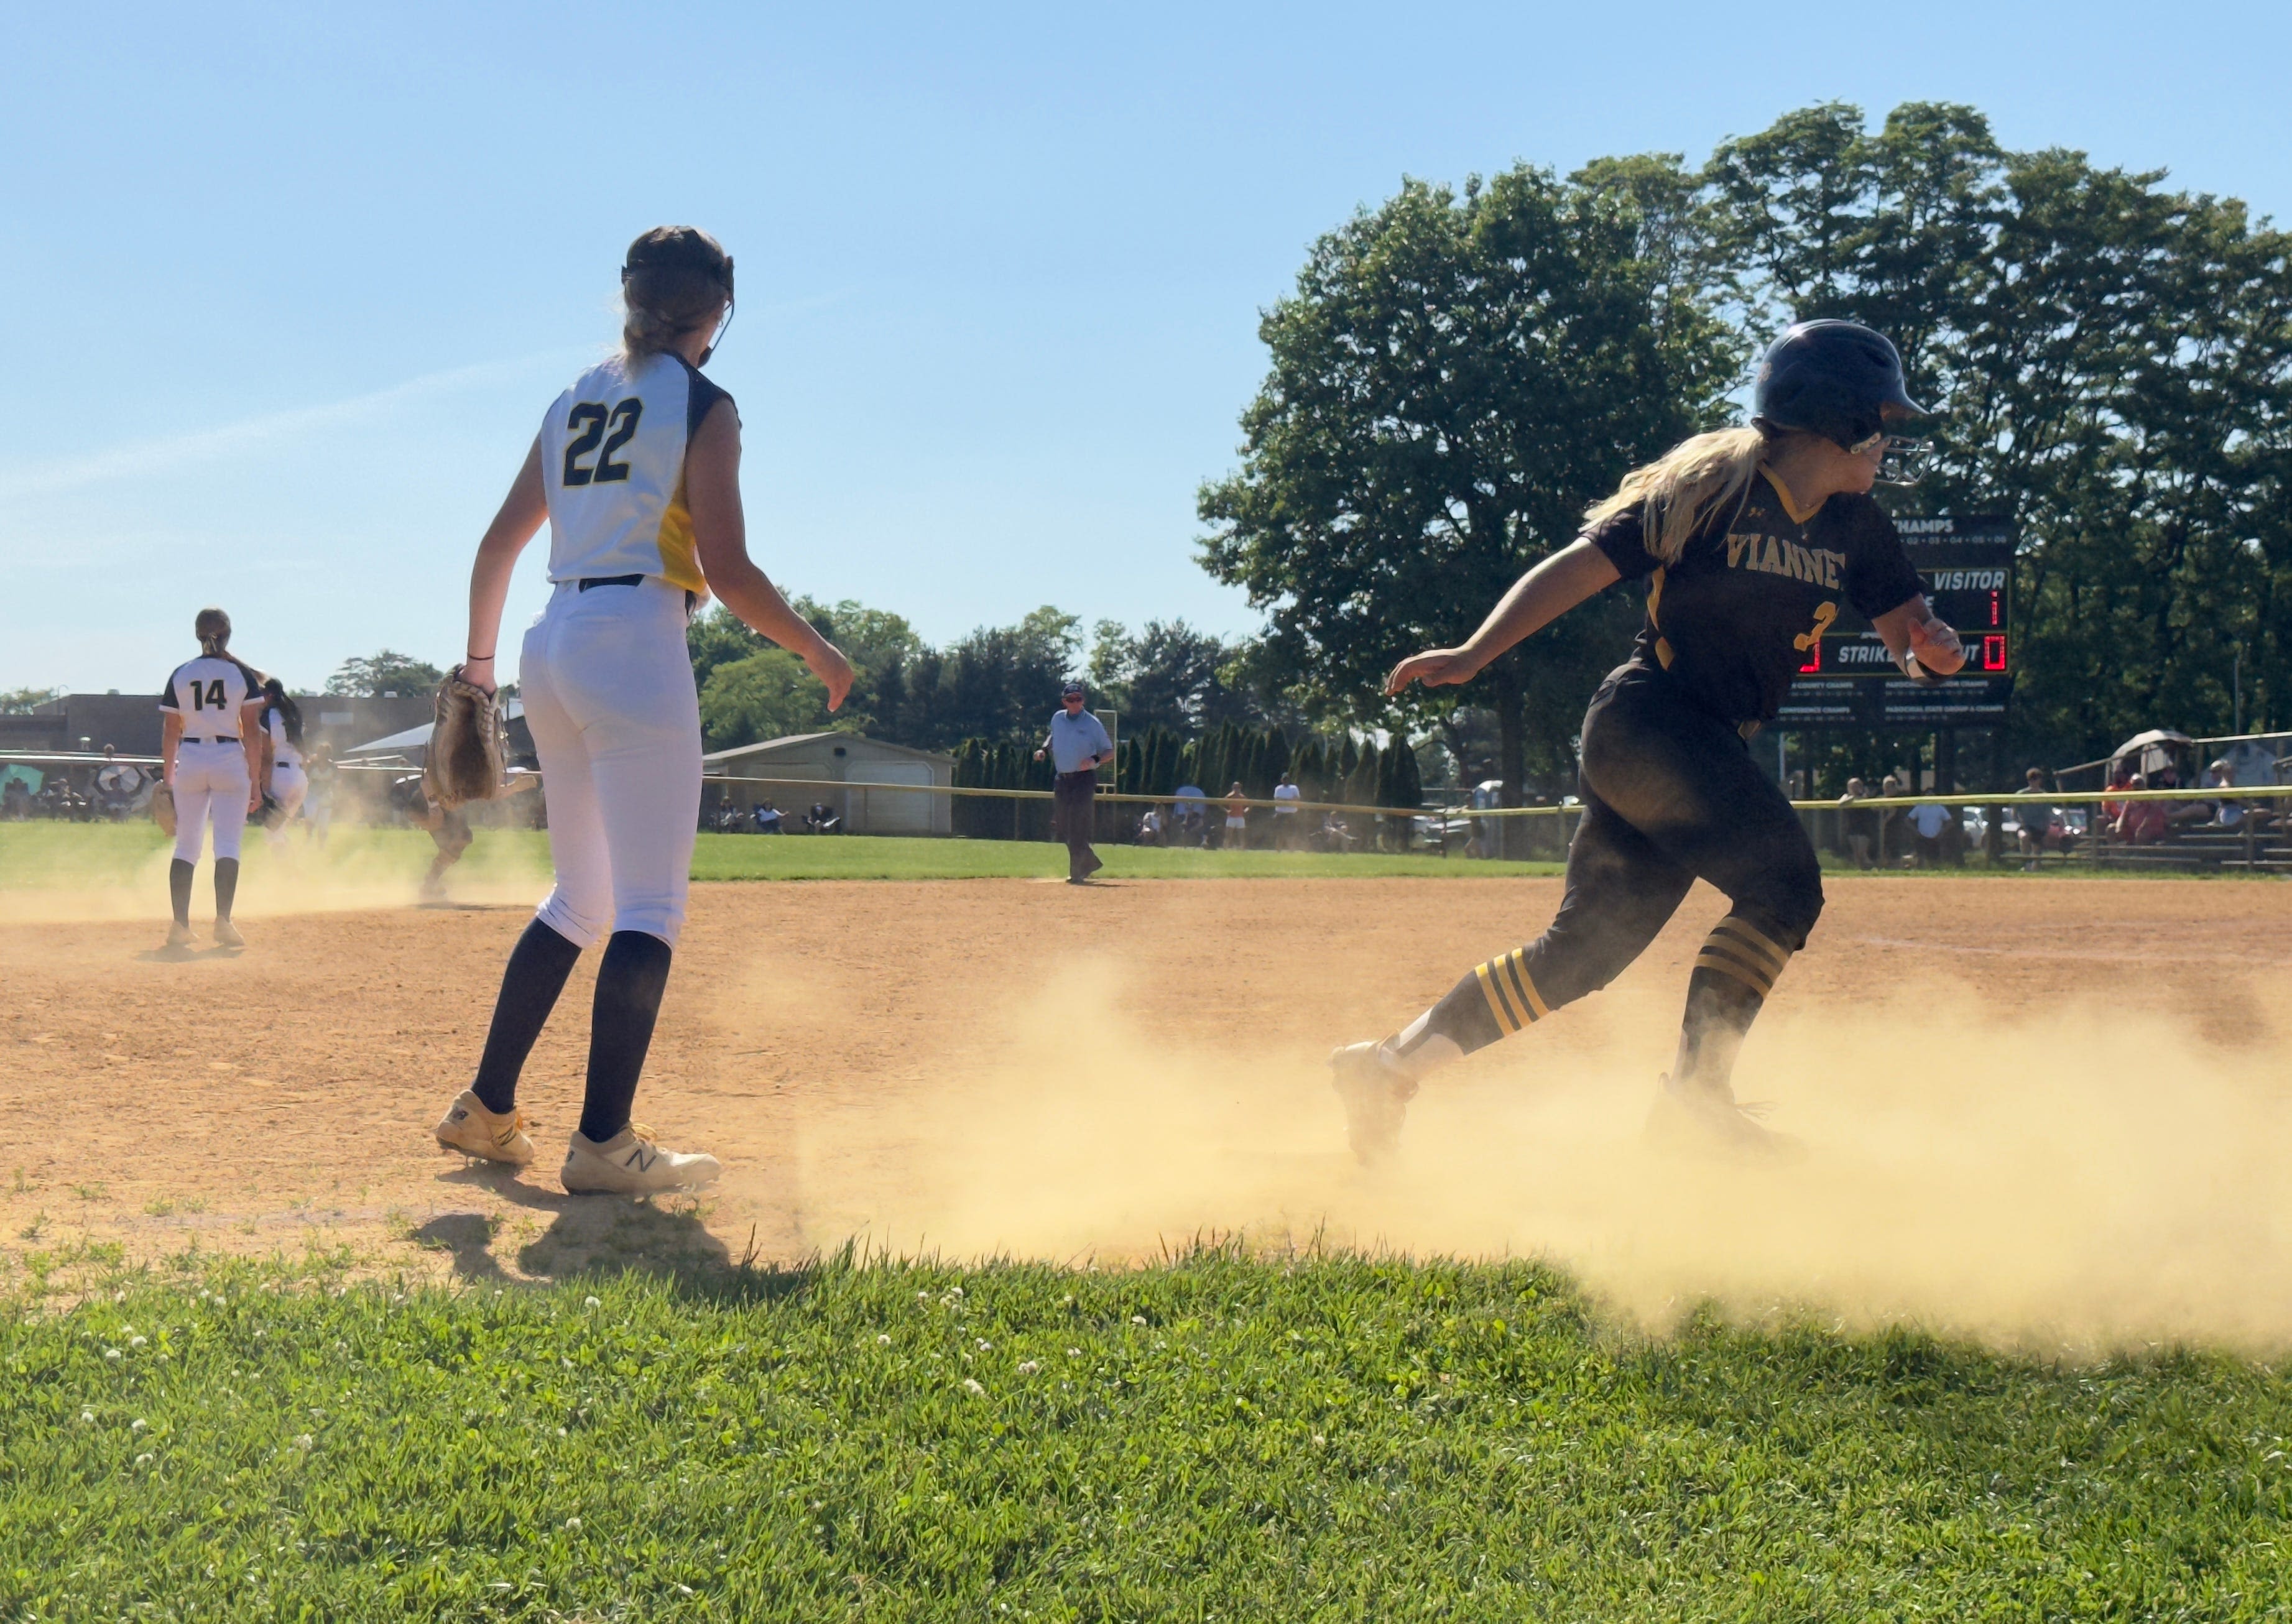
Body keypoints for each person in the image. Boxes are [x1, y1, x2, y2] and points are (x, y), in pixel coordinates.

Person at [1331, 320, 1964, 1160]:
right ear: (1836, 419)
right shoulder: (1714, 489)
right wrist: (1474, 653)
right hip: (1650, 722)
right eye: (1879, 421)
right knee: (1782, 883)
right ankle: (1696, 1100)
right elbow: (1575, 567)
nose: (1887, 440)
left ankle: (1385, 1068)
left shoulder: (1856, 525)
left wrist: (1932, 659)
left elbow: (1909, 638)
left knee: (1581, 956)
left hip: (1695, 746)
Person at [432, 225, 853, 1196]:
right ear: (717, 317)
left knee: (580, 899)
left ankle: (487, 1110)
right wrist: (815, 648)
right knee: (649, 906)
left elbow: (498, 545)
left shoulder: (572, 397)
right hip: (636, 643)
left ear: (626, 300)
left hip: (550, 643)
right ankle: (604, 1143)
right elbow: (730, 572)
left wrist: (479, 673)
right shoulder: (703, 404)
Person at [157, 608, 267, 949]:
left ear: (196, 634)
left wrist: (168, 780)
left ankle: (180, 926)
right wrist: (256, 780)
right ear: (228, 636)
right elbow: (251, 732)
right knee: (228, 845)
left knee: (187, 846)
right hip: (228, 757)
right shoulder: (240, 675)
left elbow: (171, 731)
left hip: (190, 758)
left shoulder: (182, 673)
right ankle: (223, 922)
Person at [1033, 680, 1113, 883]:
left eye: (1078, 699)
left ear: (1083, 700)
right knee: (1062, 825)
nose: (1075, 703)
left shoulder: (1092, 723)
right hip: (1063, 778)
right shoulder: (1058, 719)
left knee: (1077, 823)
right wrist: (1043, 750)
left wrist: (1094, 760)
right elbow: (1053, 736)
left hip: (1083, 778)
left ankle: (1077, 871)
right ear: (1065, 702)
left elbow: (1110, 751)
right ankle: (1089, 861)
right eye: (1071, 700)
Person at [256, 679, 309, 849]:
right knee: (279, 832)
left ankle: (289, 873)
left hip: (281, 777)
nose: (261, 698)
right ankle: (291, 869)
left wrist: (263, 790)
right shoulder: (294, 714)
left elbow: (266, 757)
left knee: (272, 834)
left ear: (270, 695)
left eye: (263, 693)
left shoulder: (268, 716)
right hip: (301, 778)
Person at [2017, 768, 2056, 871]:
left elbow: (2049, 813)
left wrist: (2047, 827)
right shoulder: (2021, 794)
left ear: (2040, 780)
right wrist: (2020, 822)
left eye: (2035, 779)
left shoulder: (2044, 796)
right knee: (2024, 837)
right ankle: (2026, 864)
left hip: (2040, 827)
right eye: (2031, 779)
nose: (2033, 781)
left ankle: (2036, 867)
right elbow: (2015, 811)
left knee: (2037, 851)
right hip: (2025, 826)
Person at [1837, 777, 1876, 870]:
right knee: (1856, 854)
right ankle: (1860, 871)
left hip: (1864, 828)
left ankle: (1873, 868)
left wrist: (1853, 798)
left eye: (1856, 786)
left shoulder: (1864, 796)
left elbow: (1863, 800)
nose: (1854, 788)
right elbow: (1841, 803)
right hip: (1852, 828)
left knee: (1862, 852)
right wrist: (1851, 798)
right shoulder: (1846, 796)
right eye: (1852, 786)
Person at [1905, 798, 1954, 867]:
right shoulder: (1920, 807)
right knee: (1920, 859)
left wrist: (1941, 833)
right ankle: (1919, 875)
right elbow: (1908, 820)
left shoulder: (1940, 808)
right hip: (1922, 837)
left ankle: (1936, 875)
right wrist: (1916, 832)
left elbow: (1950, 822)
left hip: (1935, 837)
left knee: (1935, 861)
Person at [1272, 773, 1303, 849]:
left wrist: (1284, 801)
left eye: (1287, 779)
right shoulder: (1278, 788)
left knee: (1291, 833)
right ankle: (1278, 849)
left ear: (1289, 780)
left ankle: (1292, 849)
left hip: (1291, 815)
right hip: (1281, 814)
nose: (1286, 780)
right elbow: (1277, 800)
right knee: (1280, 833)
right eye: (1284, 779)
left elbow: (1297, 799)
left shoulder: (1294, 788)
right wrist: (1289, 801)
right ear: (1281, 780)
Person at [1222, 782, 1249, 849]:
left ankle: (1243, 848)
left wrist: (1246, 810)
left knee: (1241, 835)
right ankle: (1225, 848)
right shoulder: (1229, 796)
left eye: (1238, 787)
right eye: (1235, 787)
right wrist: (1226, 811)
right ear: (1232, 788)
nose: (1236, 789)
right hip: (1231, 817)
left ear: (1240, 788)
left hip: (1240, 817)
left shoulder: (1242, 797)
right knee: (1228, 834)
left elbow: (1250, 804)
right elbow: (1220, 803)